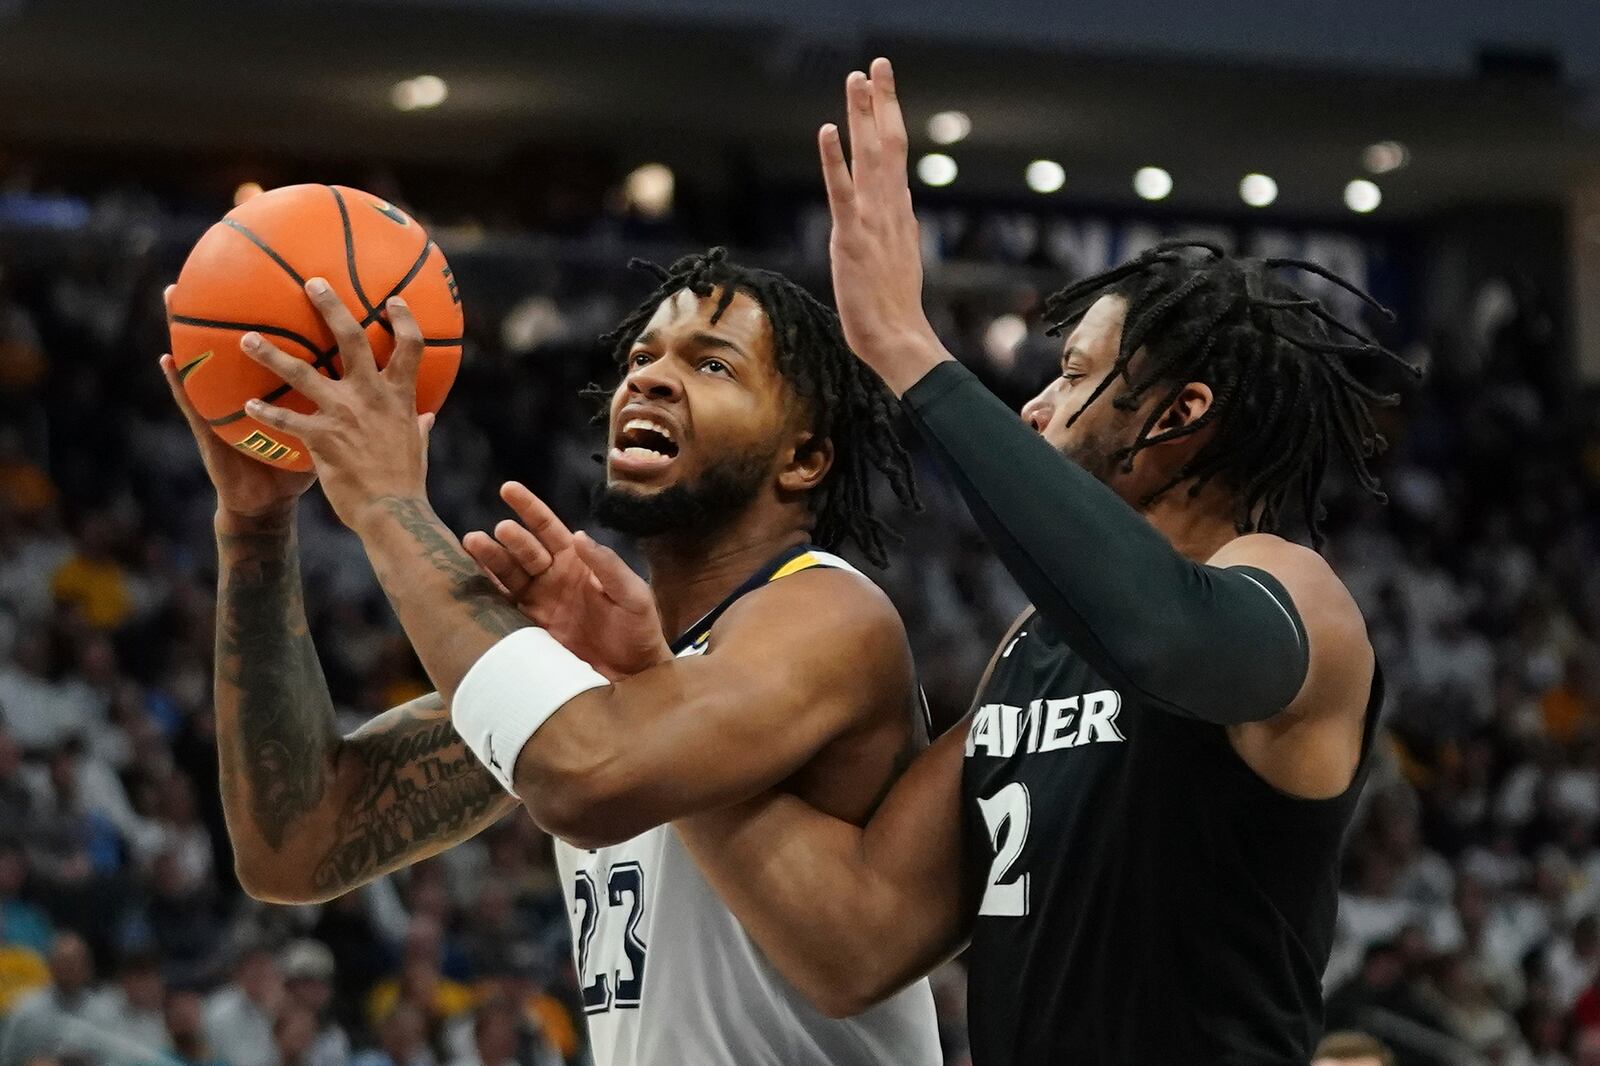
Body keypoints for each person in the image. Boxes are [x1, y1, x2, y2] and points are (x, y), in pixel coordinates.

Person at [498, 60, 1413, 1065]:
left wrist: (904, 345)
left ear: (1177, 415)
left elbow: (1164, 636)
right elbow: (855, 940)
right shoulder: (1031, 647)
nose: (1033, 408)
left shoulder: (1298, 601)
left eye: (1070, 377)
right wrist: (658, 688)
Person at [160, 249, 940, 1064]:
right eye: (643, 357)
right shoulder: (601, 671)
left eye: (712, 363)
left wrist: (388, 505)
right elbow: (298, 844)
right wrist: (255, 531)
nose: (651, 379)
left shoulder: (827, 614)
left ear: (804, 458)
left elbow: (590, 779)